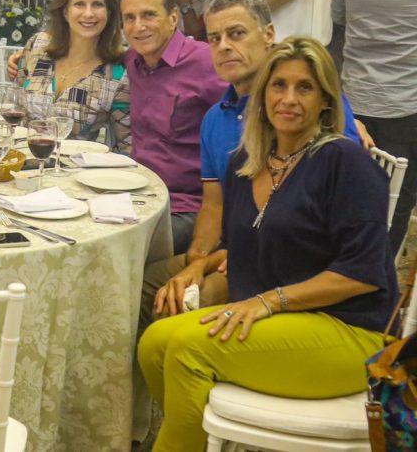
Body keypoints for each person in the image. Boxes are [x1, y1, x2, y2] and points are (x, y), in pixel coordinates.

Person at [138, 36, 397, 452]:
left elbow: (362, 272)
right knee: (155, 343)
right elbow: (252, 244)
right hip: (279, 317)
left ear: (325, 100)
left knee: (187, 351)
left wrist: (270, 301)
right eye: (279, 85)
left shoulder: (345, 162)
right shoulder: (245, 164)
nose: (289, 99)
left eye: (304, 87)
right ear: (261, 95)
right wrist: (200, 265)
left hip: (350, 331)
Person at [333, 0, 417, 255]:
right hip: (406, 102)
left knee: (347, 192)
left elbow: (338, 17)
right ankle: (376, 272)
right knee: (397, 197)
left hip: (354, 101)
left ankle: (341, 265)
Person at [122, 0, 225, 253]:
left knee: (123, 248)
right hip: (138, 195)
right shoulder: (133, 61)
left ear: (172, 17)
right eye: (130, 18)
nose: (138, 26)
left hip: (186, 206)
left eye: (149, 15)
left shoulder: (206, 61)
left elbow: (257, 98)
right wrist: (26, 57)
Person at [17, 0, 131, 153]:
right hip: (21, 160)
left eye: (97, 4)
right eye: (79, 4)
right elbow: (14, 105)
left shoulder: (117, 75)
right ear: (65, 11)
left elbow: (126, 146)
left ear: (109, 13)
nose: (88, 13)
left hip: (73, 167)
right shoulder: (37, 46)